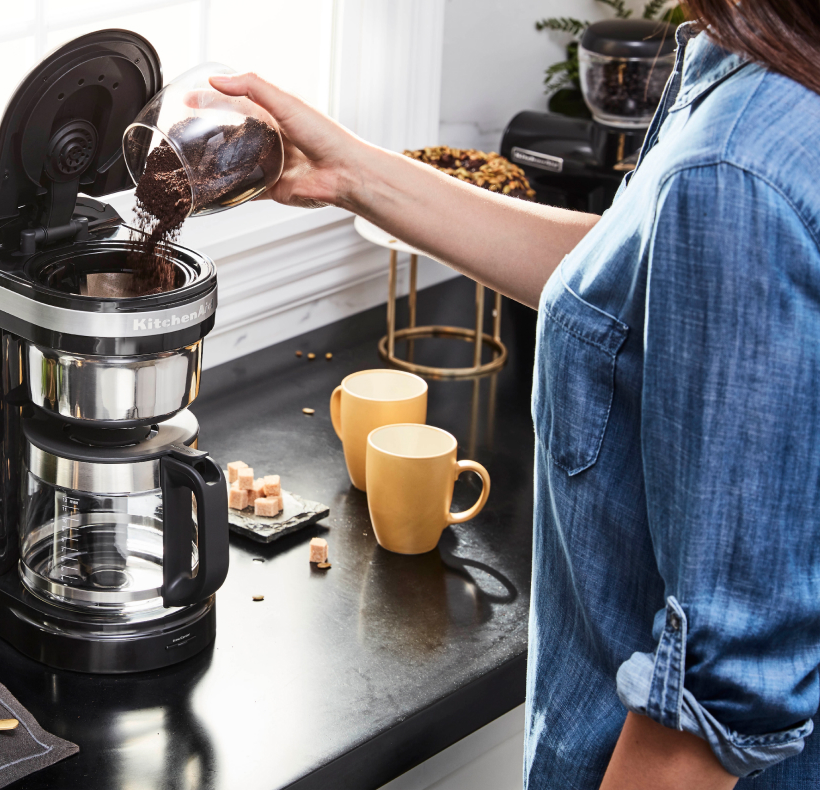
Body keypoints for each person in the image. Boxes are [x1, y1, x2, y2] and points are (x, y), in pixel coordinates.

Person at [210, 3, 820, 789]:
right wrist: (352, 174)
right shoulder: (757, 77)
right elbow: (634, 283)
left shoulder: (735, 166)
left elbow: (711, 716)